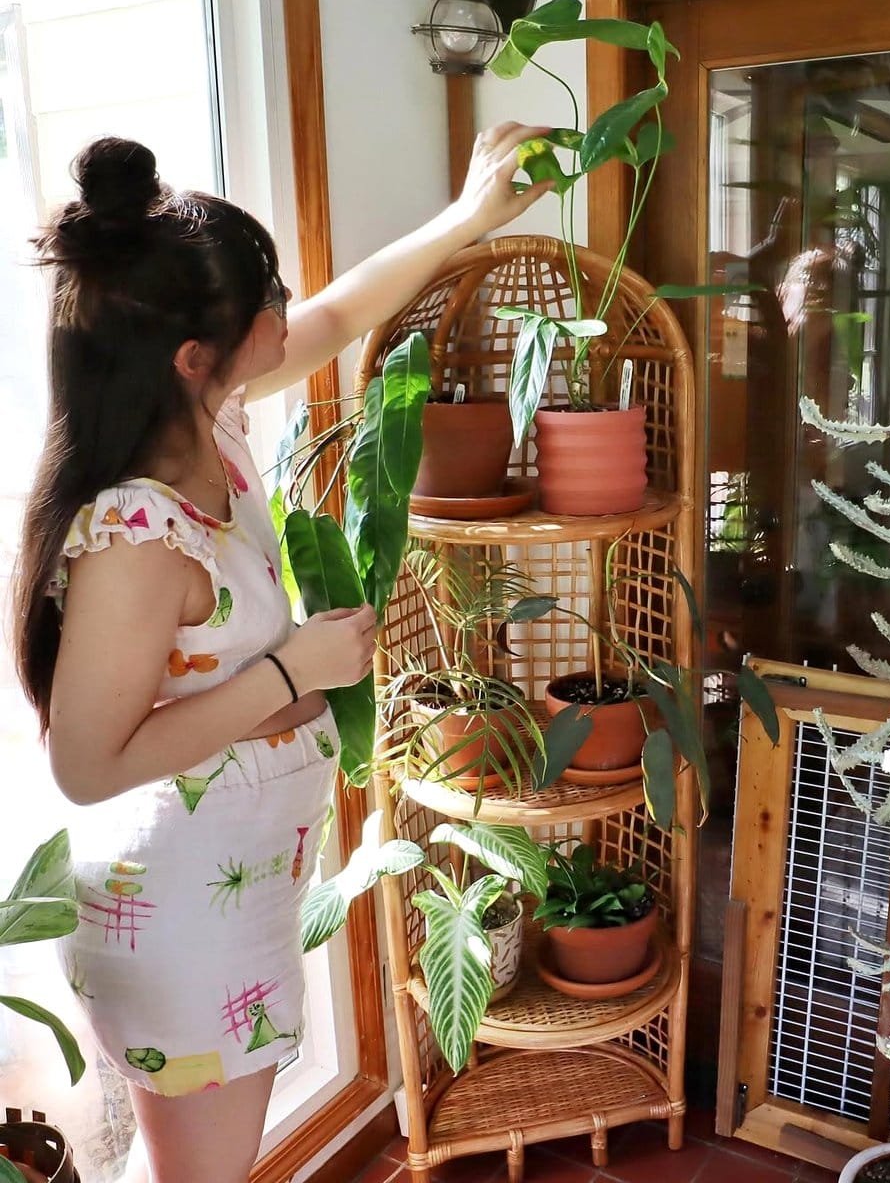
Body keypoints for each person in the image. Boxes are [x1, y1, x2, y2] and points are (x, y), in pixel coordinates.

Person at [13, 126, 551, 1183]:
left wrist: (471, 215)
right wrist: (295, 672)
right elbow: (84, 765)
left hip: (228, 893)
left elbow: (345, 311)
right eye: (268, 306)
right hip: (171, 916)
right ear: (191, 356)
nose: (287, 318)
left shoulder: (212, 423)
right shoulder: (136, 534)